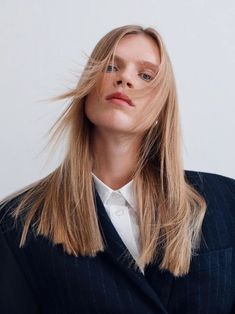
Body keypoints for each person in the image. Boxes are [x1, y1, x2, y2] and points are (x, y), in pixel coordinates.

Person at [0, 24, 234, 314]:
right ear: (88, 88)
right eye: (111, 67)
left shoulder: (226, 199)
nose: (125, 78)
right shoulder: (20, 222)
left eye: (146, 75)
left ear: (162, 109)